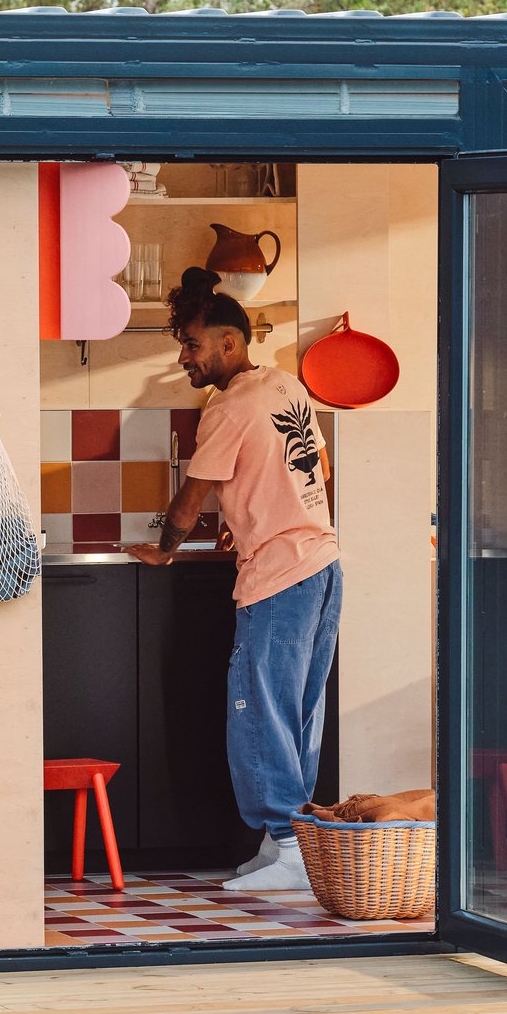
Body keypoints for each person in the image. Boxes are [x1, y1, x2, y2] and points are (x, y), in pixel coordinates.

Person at [124, 267, 342, 892]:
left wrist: (166, 550)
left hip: (277, 578)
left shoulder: (227, 408)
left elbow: (189, 500)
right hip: (322, 564)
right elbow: (317, 469)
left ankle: (290, 851)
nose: (184, 358)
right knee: (297, 714)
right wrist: (251, 518)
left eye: (191, 345)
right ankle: (286, 846)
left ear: (228, 342)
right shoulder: (285, 385)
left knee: (258, 711)